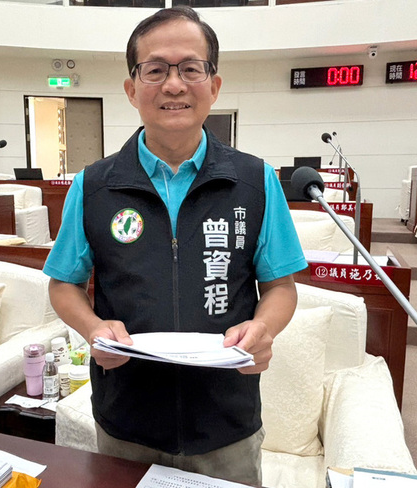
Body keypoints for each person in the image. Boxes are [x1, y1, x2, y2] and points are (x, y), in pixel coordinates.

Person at [43, 6, 307, 486]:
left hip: (226, 423)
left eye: (190, 68)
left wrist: (263, 328)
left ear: (214, 85)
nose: (173, 85)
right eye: (155, 70)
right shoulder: (93, 185)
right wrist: (94, 328)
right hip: (126, 420)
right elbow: (64, 284)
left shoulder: (255, 180)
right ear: (131, 89)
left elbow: (281, 287)